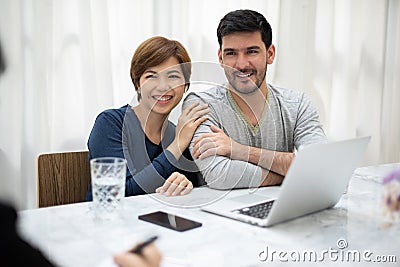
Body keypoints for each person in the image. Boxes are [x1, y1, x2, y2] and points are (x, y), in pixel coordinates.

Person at [183, 9, 327, 189]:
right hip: (220, 214)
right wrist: (292, 172)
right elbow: (220, 176)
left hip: (282, 211)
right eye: (231, 53)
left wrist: (240, 151)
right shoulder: (202, 105)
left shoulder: (297, 105)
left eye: (251, 51)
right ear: (220, 57)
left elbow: (321, 167)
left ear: (270, 54)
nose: (241, 64)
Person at [87, 36, 209, 199]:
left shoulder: (178, 132)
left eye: (173, 76)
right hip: (110, 221)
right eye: (151, 76)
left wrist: (184, 183)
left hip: (159, 221)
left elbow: (194, 189)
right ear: (137, 83)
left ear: (186, 85)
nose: (163, 86)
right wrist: (178, 144)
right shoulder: (110, 123)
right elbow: (120, 192)